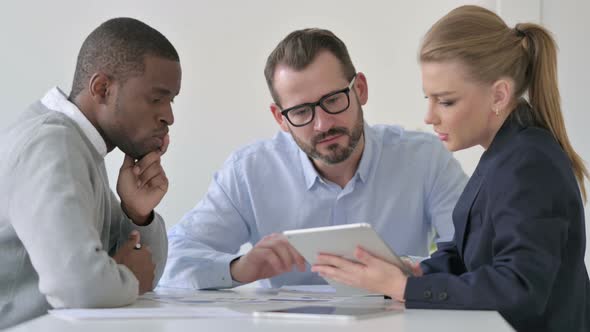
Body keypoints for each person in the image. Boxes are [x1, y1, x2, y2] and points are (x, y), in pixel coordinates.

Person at [311, 5, 589, 332]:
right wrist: (416, 273)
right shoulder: (506, 154)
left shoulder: (529, 163)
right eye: (428, 98)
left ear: (499, 95)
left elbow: (519, 289)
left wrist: (403, 288)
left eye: (446, 101)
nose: (429, 116)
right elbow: (467, 254)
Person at [160, 28, 467, 290]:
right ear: (280, 118)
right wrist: (239, 268)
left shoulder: (425, 159)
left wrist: (409, 271)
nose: (322, 124)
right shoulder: (249, 171)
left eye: (333, 100)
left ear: (359, 89)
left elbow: (475, 254)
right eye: (301, 111)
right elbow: (170, 259)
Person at [0, 17, 181, 328]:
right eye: (156, 99)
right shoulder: (52, 143)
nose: (169, 116)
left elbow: (147, 274)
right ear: (102, 88)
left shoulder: (81, 147)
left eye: (171, 101)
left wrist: (137, 214)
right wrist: (127, 277)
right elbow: (80, 289)